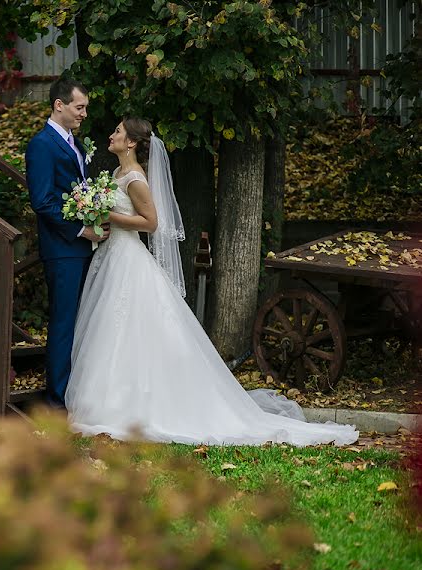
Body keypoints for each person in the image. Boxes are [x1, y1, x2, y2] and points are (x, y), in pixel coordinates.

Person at [64, 117, 358, 446]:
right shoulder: (117, 174)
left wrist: (108, 215)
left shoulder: (135, 178)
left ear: (131, 142)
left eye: (117, 131)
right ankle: (107, 403)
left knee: (130, 330)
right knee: (109, 330)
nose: (111, 134)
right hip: (111, 257)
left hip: (129, 259)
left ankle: (134, 407)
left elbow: (150, 223)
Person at [25, 78, 108, 410]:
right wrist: (80, 230)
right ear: (59, 105)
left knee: (83, 321)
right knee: (63, 323)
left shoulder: (74, 143)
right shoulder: (42, 145)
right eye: (80, 107)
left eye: (85, 107)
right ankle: (56, 402)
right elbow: (42, 202)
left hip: (82, 248)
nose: (85, 113)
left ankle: (77, 392)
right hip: (62, 250)